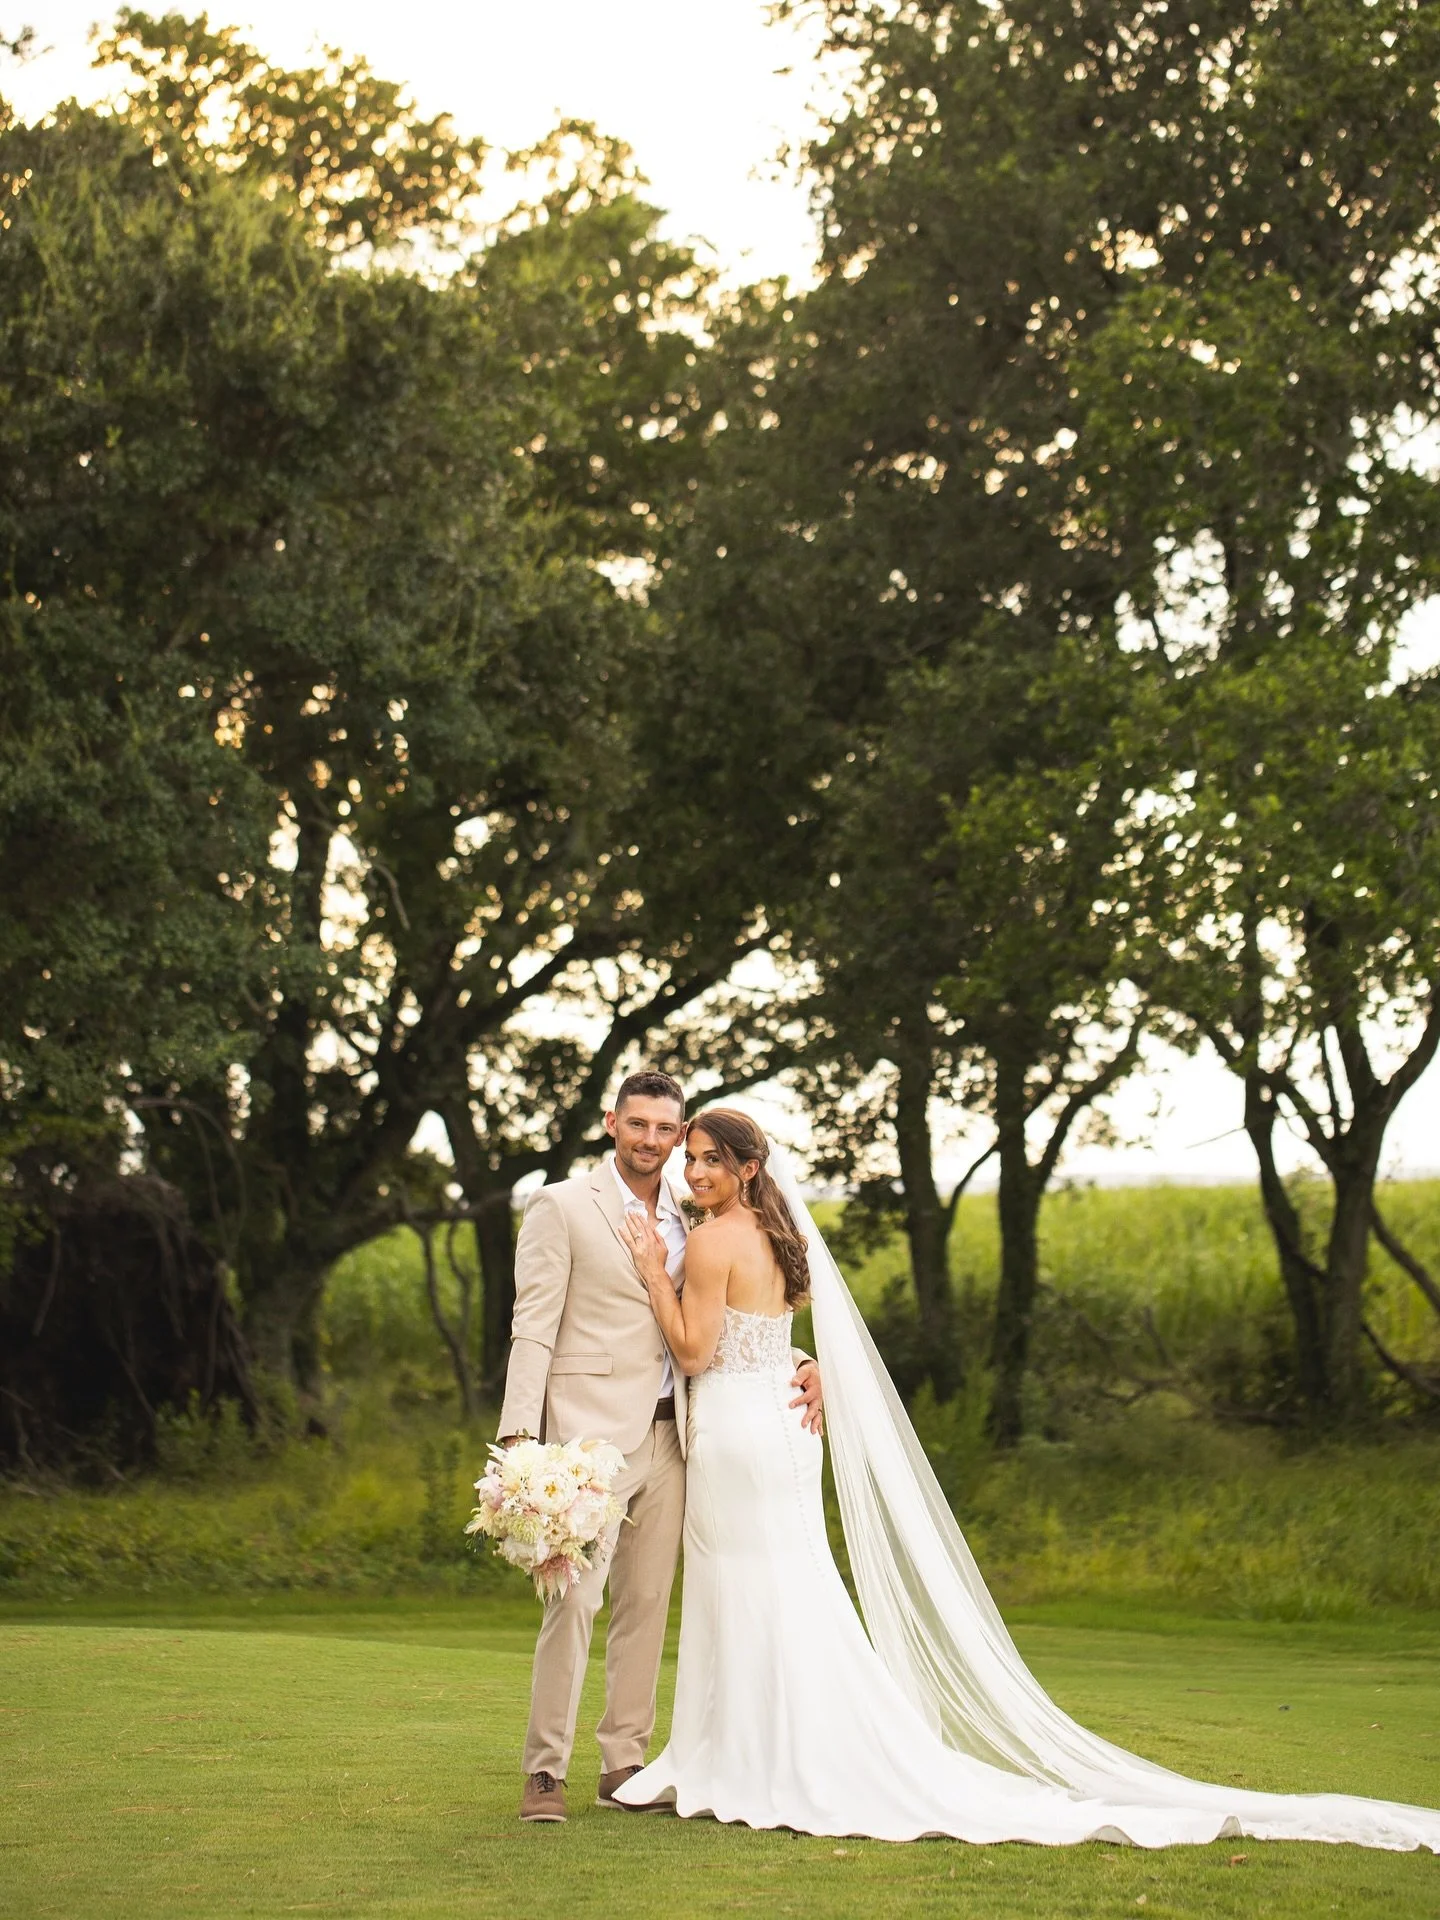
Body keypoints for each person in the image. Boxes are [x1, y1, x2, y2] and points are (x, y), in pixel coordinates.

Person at [614, 1107, 1440, 1852]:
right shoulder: (780, 1232)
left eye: (711, 1161)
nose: (695, 1174)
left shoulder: (718, 1236)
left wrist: (655, 1269)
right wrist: (803, 1361)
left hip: (741, 1433)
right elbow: (768, 1336)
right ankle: (760, 1751)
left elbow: (693, 1352)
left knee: (750, 1587)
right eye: (692, 1160)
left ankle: (749, 1759)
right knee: (788, 1587)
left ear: (750, 1167)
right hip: (784, 1432)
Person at [495, 1071, 823, 1823]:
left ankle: (625, 1763)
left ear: (681, 1137)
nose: (652, 1141)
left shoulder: (695, 1207)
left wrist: (802, 1362)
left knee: (646, 1606)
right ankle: (546, 1771)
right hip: (589, 1438)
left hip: (683, 1434)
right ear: (612, 1124)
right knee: (573, 1602)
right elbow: (534, 1325)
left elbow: (737, 1310)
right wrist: (520, 1437)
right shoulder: (562, 1205)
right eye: (638, 1125)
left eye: (666, 1130)